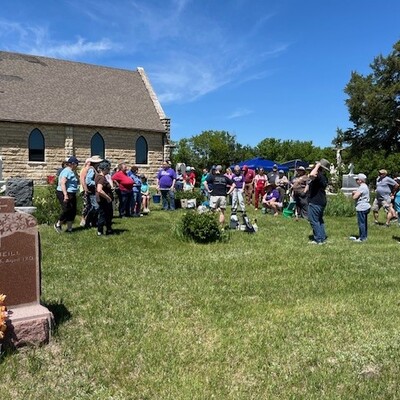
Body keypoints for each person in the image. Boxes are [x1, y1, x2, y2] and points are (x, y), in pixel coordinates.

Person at [54, 156, 80, 233]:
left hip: (72, 192)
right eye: (76, 164)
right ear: (72, 164)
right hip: (64, 192)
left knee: (72, 211)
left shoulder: (72, 171)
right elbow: (62, 183)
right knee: (67, 209)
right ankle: (58, 224)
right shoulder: (66, 171)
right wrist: (65, 195)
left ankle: (69, 228)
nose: (77, 165)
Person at [307, 159, 329, 244]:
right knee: (319, 220)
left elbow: (311, 175)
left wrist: (317, 166)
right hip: (321, 201)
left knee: (314, 220)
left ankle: (318, 239)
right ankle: (322, 237)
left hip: (315, 201)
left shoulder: (318, 176)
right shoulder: (324, 177)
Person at [349, 173, 371, 242]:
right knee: (364, 222)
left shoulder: (362, 187)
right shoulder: (365, 186)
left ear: (360, 180)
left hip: (361, 207)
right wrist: (356, 191)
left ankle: (362, 238)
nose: (356, 181)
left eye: (357, 179)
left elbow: (355, 197)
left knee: (361, 223)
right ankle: (364, 236)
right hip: (366, 206)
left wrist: (353, 194)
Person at [95, 160, 114, 236]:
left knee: (108, 215)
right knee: (103, 215)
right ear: (104, 169)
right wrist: (107, 197)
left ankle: (108, 229)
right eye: (108, 169)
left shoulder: (99, 176)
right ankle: (100, 231)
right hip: (103, 200)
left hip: (103, 200)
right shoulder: (101, 178)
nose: (109, 171)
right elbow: (99, 190)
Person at [84, 155, 103, 227]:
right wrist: (97, 183)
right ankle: (88, 221)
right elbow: (88, 181)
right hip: (92, 191)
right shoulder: (91, 170)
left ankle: (93, 222)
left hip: (94, 191)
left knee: (96, 207)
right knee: (95, 207)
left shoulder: (95, 169)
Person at [79, 158, 92, 227]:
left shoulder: (90, 170)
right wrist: (86, 189)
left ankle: (87, 219)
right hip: (84, 189)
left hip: (88, 189)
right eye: (90, 162)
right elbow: (82, 180)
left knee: (89, 205)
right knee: (86, 205)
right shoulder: (84, 170)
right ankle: (83, 219)